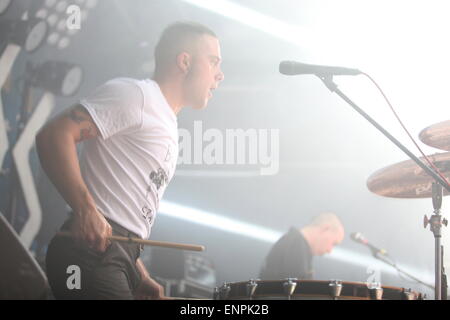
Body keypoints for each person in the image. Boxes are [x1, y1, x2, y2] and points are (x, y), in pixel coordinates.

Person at [35, 21, 224, 300]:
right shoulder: (137, 96)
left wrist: (138, 273)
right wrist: (86, 210)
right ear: (184, 61)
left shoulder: (166, 123)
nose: (220, 75)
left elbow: (118, 210)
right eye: (213, 62)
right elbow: (53, 135)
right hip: (85, 257)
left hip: (114, 256)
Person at [259, 213, 344, 280]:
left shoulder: (295, 243)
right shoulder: (296, 246)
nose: (330, 250)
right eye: (334, 243)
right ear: (326, 229)